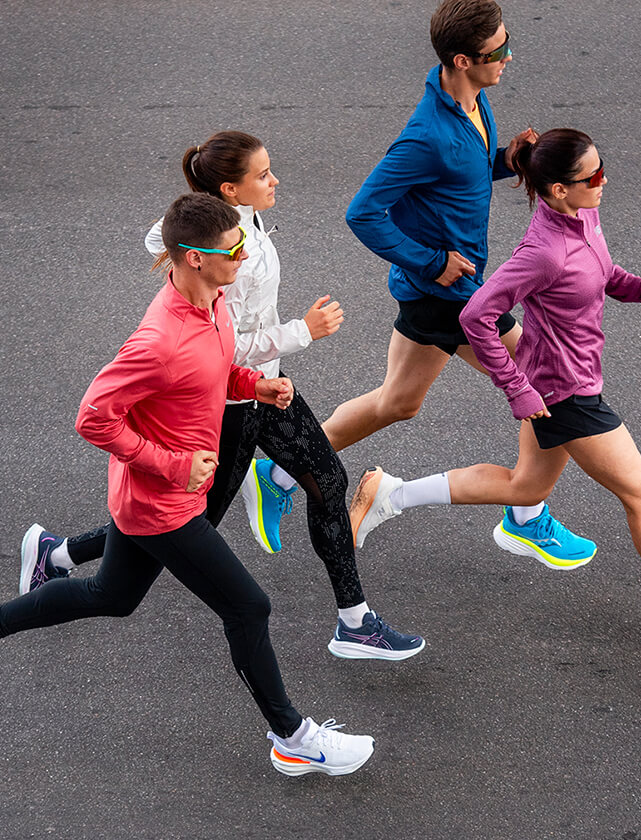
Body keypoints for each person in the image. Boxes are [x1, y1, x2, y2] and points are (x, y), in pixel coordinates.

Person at [4, 194, 375, 776]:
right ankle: (293, 738)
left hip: (158, 496)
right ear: (195, 258)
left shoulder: (216, 303)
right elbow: (93, 416)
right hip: (160, 504)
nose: (245, 253)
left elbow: (212, 370)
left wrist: (253, 386)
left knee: (112, 597)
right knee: (249, 606)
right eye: (233, 248)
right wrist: (173, 465)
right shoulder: (158, 340)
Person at [20, 130, 423, 662]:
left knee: (327, 479)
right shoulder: (233, 257)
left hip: (263, 390)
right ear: (231, 191)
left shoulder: (235, 227)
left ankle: (354, 622)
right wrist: (304, 330)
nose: (275, 179)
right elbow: (225, 349)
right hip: (228, 404)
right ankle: (61, 552)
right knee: (191, 526)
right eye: (262, 174)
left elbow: (157, 240)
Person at [347, 127, 641, 645]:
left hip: (565, 380)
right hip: (565, 392)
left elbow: (605, 273)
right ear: (559, 188)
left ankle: (390, 494)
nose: (604, 182)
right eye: (594, 176)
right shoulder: (543, 252)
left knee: (526, 488)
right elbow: (476, 315)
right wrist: (518, 387)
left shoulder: (585, 217)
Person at [244, 0, 595, 569]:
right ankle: (527, 516)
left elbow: (464, 174)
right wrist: (431, 262)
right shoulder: (426, 135)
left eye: (507, 43)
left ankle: (280, 470)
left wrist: (507, 159)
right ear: (463, 58)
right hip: (449, 295)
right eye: (497, 51)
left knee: (397, 402)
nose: (509, 56)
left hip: (441, 293)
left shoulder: (473, 99)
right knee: (543, 384)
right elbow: (363, 212)